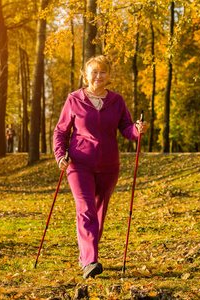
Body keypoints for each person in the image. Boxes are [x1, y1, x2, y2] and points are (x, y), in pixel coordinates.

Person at [53, 55, 149, 279]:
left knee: (98, 213)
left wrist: (137, 130)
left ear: (109, 76)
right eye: (94, 72)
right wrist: (60, 156)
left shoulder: (117, 101)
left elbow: (126, 129)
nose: (98, 76)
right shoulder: (74, 99)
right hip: (79, 164)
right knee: (85, 210)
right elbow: (60, 132)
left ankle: (87, 256)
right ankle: (90, 261)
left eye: (103, 72)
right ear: (86, 75)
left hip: (108, 165)